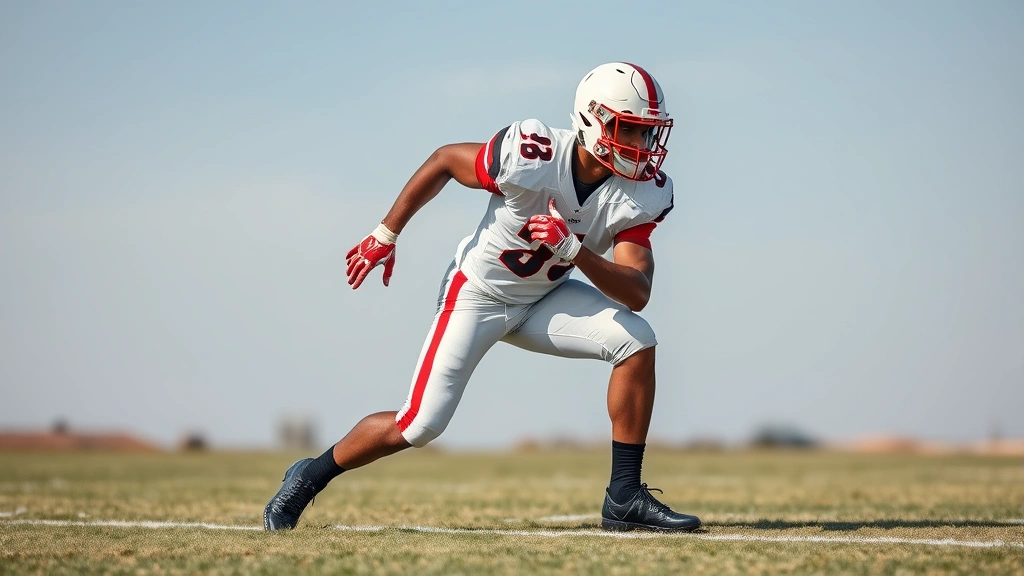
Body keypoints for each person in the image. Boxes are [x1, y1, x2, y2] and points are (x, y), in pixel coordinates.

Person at [264, 62, 701, 533]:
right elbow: (445, 160)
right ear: (593, 120)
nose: (640, 145)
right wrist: (386, 233)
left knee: (636, 340)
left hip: (546, 296)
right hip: (478, 294)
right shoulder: (533, 153)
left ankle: (624, 496)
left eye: (646, 133)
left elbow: (637, 291)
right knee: (420, 425)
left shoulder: (639, 193)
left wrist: (574, 251)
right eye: (630, 129)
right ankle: (308, 477)